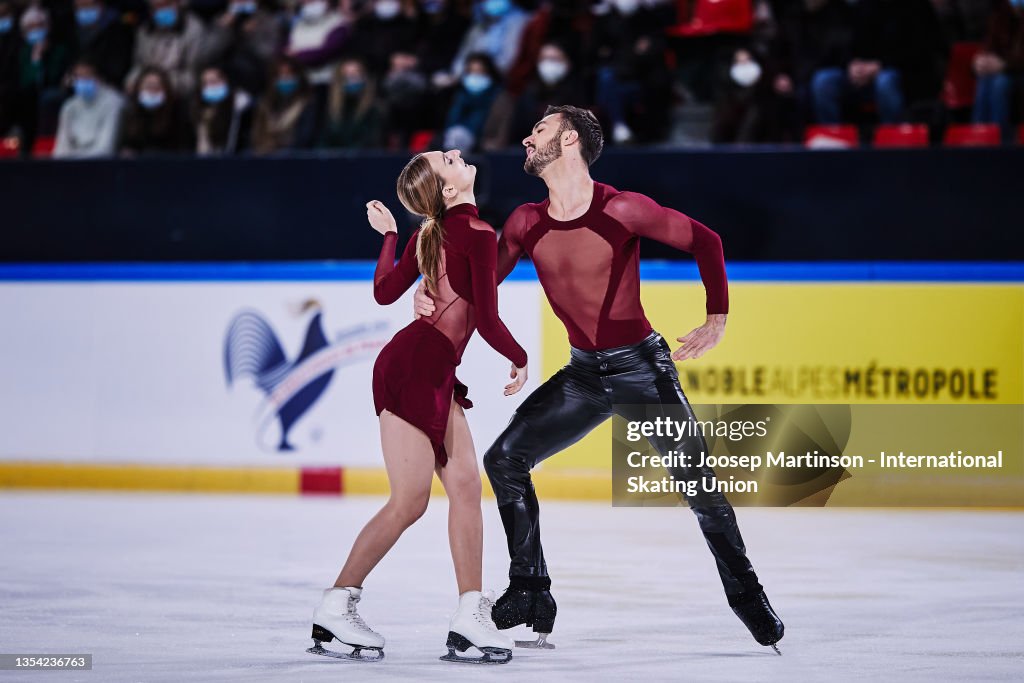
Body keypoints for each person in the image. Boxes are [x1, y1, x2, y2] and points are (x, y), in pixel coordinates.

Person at [414, 105, 785, 652]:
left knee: (700, 489)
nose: (525, 137)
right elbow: (476, 282)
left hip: (643, 370)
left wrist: (717, 316)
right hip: (583, 377)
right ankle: (531, 590)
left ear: (567, 140)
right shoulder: (524, 221)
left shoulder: (623, 209)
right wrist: (431, 287)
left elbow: (706, 241)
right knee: (505, 460)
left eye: (537, 130)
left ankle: (748, 597)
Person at [308, 149, 528, 664]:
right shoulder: (469, 232)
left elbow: (387, 290)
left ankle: (471, 615)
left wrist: (390, 237)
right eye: (446, 160)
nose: (456, 154)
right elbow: (487, 319)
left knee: (467, 488)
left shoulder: (435, 233)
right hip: (415, 367)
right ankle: (336, 606)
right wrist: (518, 358)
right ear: (449, 190)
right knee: (409, 501)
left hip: (431, 367)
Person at [53, 59, 124, 158]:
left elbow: (106, 148)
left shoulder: (114, 102)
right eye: (78, 77)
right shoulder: (69, 106)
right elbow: (61, 147)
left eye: (87, 76)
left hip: (102, 164)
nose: (82, 81)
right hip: (71, 165)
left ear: (99, 78)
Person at [120, 66, 193, 155]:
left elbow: (183, 148)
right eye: (148, 86)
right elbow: (127, 147)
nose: (152, 92)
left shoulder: (178, 113)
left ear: (165, 90)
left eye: (156, 87)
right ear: (138, 89)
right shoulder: (131, 113)